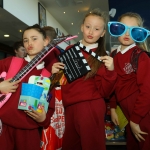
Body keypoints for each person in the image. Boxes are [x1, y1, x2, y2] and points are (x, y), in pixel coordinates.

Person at [51, 8, 117, 150]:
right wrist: (55, 72)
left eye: (97, 29)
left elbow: (105, 92)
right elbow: (62, 82)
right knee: (70, 145)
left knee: (92, 145)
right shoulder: (69, 50)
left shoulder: (103, 57)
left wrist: (111, 71)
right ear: (82, 27)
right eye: (88, 27)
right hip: (69, 106)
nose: (91, 32)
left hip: (90, 106)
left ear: (103, 33)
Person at [0, 24, 56, 150]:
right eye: (26, 40)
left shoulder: (47, 76)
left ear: (46, 41)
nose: (29, 43)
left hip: (29, 133)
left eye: (34, 38)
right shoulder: (11, 63)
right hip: (3, 129)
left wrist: (43, 118)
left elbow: (49, 108)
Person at [108, 12, 150, 150]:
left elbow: (147, 90)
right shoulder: (113, 55)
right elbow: (113, 83)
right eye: (123, 28)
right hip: (127, 113)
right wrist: (113, 108)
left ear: (139, 34)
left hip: (142, 113)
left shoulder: (141, 57)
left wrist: (136, 119)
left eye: (133, 30)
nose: (127, 34)